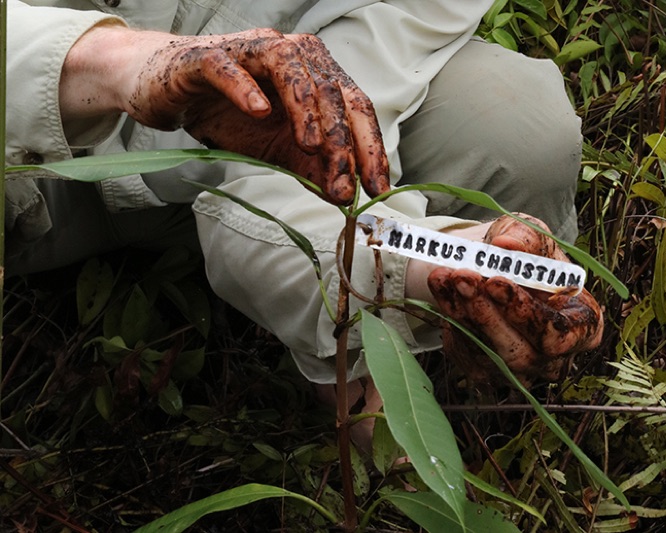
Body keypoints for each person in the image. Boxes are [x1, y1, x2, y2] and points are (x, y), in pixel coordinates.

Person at [6, 1, 602, 398]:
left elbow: (322, 154)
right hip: (30, 154)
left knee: (516, 125)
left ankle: (379, 370)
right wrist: (110, 61)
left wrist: (422, 264)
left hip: (227, 155)